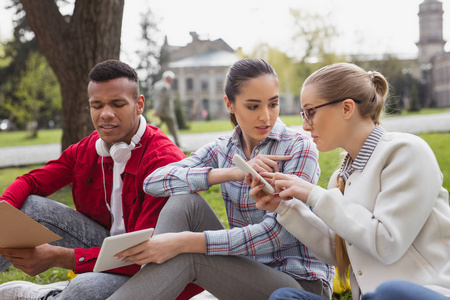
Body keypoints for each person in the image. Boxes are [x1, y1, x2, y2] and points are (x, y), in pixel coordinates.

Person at [106, 58, 334, 300]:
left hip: (298, 286)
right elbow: (153, 182)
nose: (266, 117)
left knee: (190, 255)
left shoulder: (299, 148)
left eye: (273, 104)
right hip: (242, 274)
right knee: (184, 202)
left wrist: (184, 242)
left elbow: (276, 235)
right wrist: (232, 172)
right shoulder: (222, 149)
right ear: (230, 104)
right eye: (253, 106)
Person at [245, 62, 450, 300]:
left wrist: (315, 195)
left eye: (310, 112)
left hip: (430, 293)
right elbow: (341, 251)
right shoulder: (340, 178)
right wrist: (284, 206)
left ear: (346, 108)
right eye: (303, 114)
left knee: (388, 292)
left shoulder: (406, 151)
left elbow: (387, 244)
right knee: (284, 297)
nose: (304, 124)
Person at [0, 60, 202, 300]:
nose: (105, 114)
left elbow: (143, 254)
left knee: (84, 289)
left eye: (117, 104)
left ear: (139, 105)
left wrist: (57, 256)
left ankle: (49, 296)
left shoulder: (163, 162)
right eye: (97, 105)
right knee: (25, 207)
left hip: (156, 267)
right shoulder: (88, 148)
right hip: (107, 246)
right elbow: (32, 182)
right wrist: (4, 211)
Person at [153, 70, 182, 148]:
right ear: (168, 78)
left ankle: (149, 142)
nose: (172, 81)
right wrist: (158, 110)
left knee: (154, 128)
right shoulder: (165, 86)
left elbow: (155, 98)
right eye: (171, 79)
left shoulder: (157, 85)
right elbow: (161, 99)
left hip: (159, 110)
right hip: (166, 112)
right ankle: (178, 144)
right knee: (173, 129)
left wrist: (156, 109)